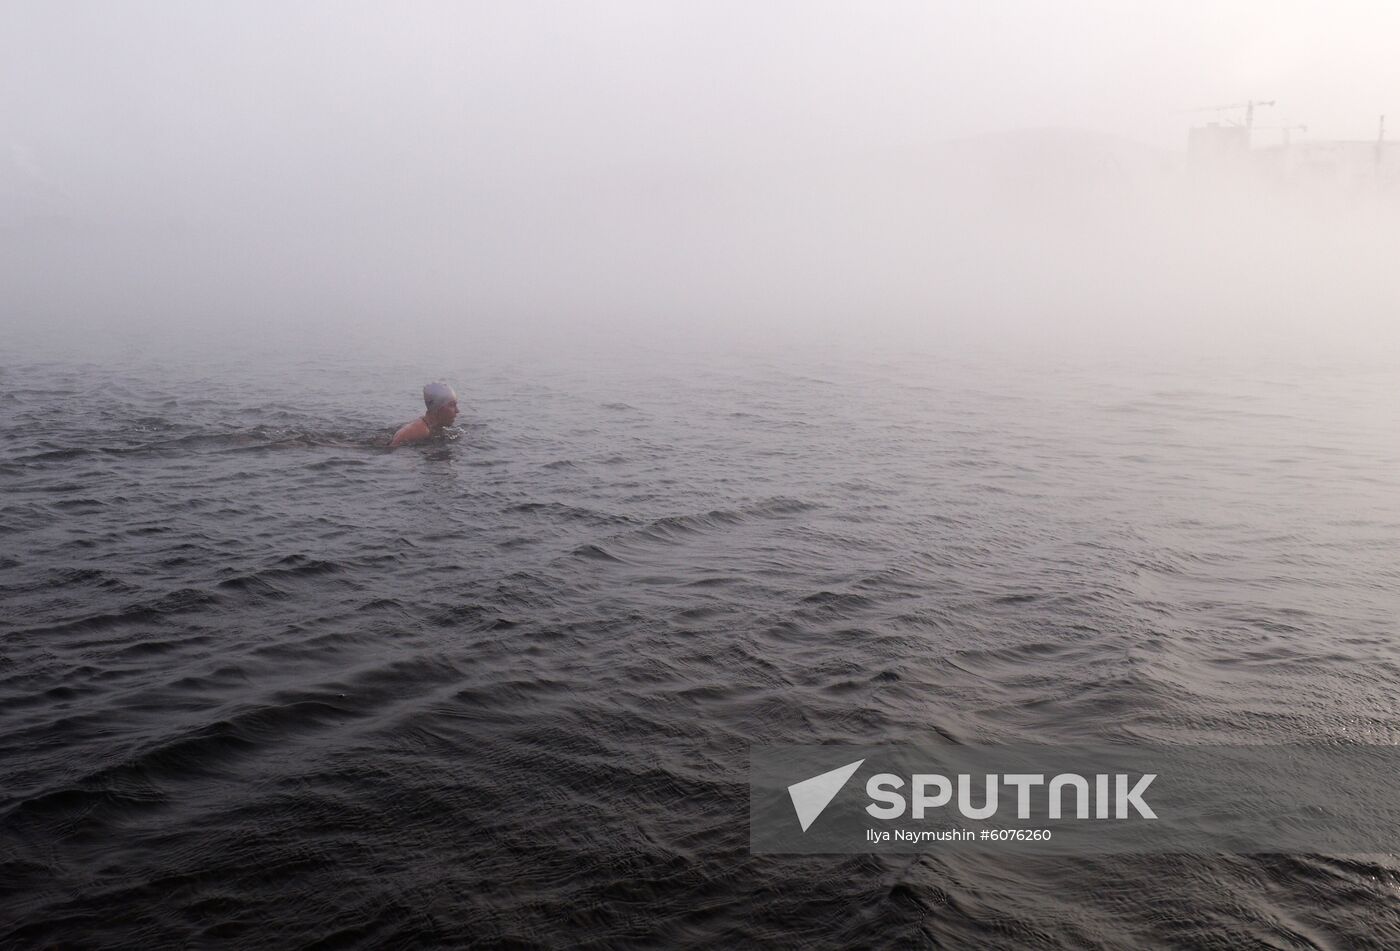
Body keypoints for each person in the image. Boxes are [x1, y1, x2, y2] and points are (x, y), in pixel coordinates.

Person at [389, 382, 459, 448]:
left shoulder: (430, 426)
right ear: (437, 408)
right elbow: (392, 450)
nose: (457, 411)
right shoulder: (419, 430)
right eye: (452, 405)